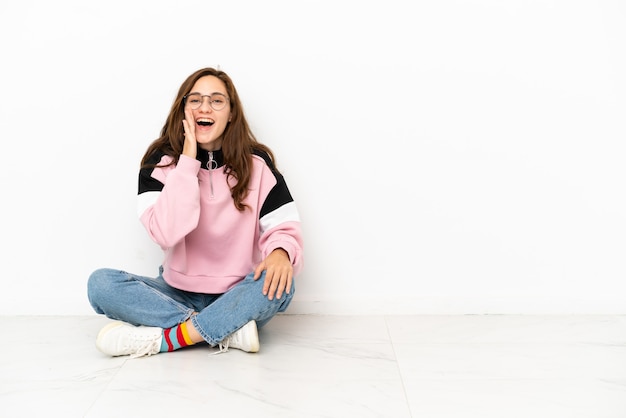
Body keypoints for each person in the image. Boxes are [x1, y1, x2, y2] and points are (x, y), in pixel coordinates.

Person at [87, 67, 304, 358]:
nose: (205, 107)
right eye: (196, 100)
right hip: (176, 291)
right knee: (100, 285)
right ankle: (227, 329)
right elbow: (164, 232)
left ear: (231, 114)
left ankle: (167, 339)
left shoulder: (257, 164)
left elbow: (284, 227)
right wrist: (188, 162)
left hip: (238, 292)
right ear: (183, 109)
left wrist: (280, 253)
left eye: (217, 101)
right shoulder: (160, 163)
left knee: (281, 284)